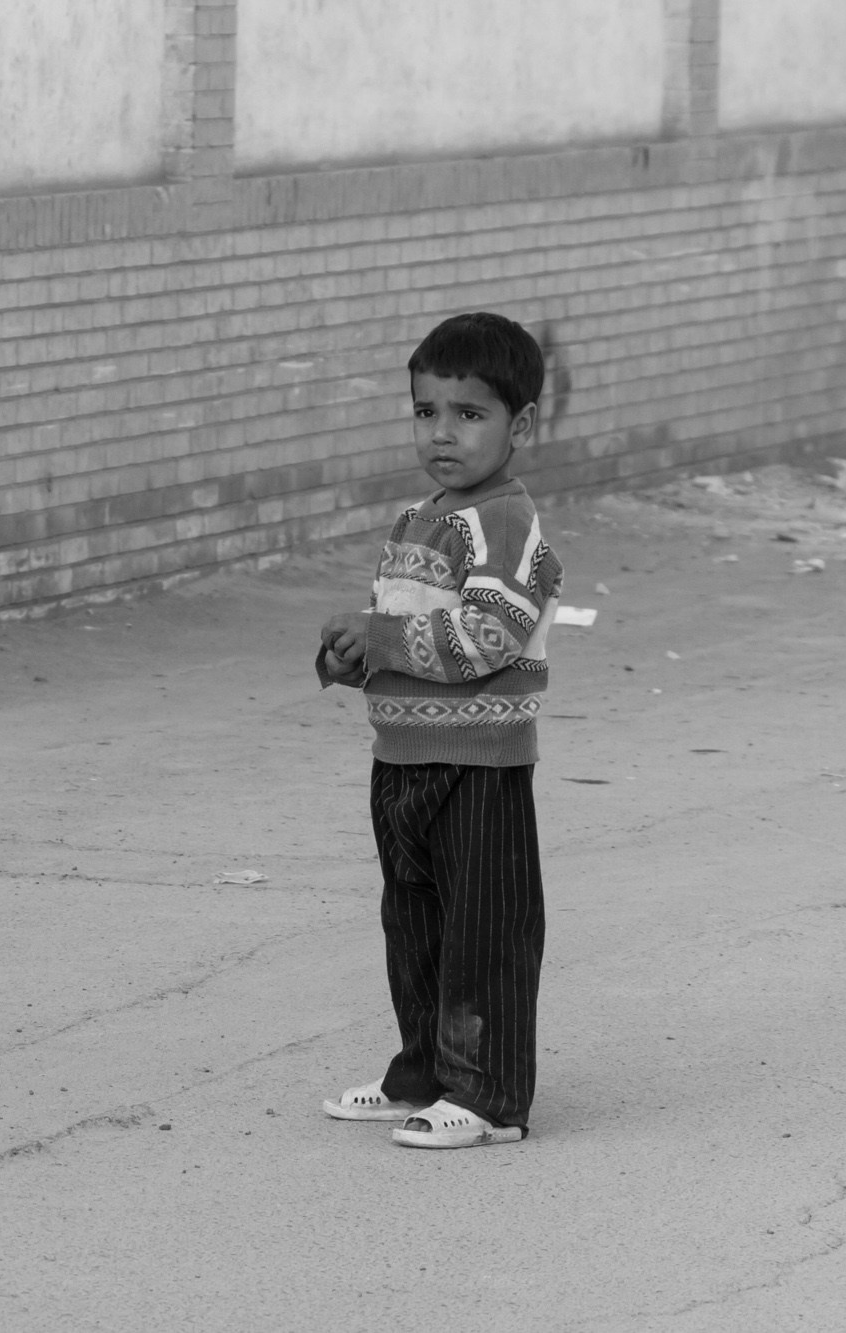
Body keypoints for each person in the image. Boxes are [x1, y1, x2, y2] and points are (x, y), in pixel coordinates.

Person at [316, 312, 561, 1148]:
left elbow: (486, 638)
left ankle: (490, 1096)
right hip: (404, 758)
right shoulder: (418, 520)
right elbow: (409, 631)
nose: (443, 432)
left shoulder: (506, 525)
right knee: (414, 923)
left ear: (520, 423)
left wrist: (381, 638)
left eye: (470, 413)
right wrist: (356, 658)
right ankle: (424, 1070)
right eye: (426, 412)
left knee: (483, 929)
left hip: (478, 762)